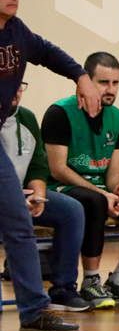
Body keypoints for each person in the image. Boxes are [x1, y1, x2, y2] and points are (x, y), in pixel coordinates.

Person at [0, 0, 99, 331]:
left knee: (19, 224)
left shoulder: (17, 32)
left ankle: (34, 311)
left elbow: (48, 52)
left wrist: (82, 77)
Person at [42, 52, 119, 308]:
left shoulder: (118, 118)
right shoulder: (59, 113)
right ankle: (90, 281)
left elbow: (113, 170)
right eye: (103, 82)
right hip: (64, 188)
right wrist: (103, 194)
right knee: (94, 202)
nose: (110, 89)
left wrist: (118, 191)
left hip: (100, 191)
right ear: (85, 82)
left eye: (116, 83)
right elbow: (58, 169)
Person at [1, 81, 90, 312]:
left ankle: (63, 289)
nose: (17, 91)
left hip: (24, 195)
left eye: (21, 85)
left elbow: (38, 166)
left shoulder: (27, 118)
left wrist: (38, 193)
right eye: (12, 85)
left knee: (72, 210)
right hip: (6, 196)